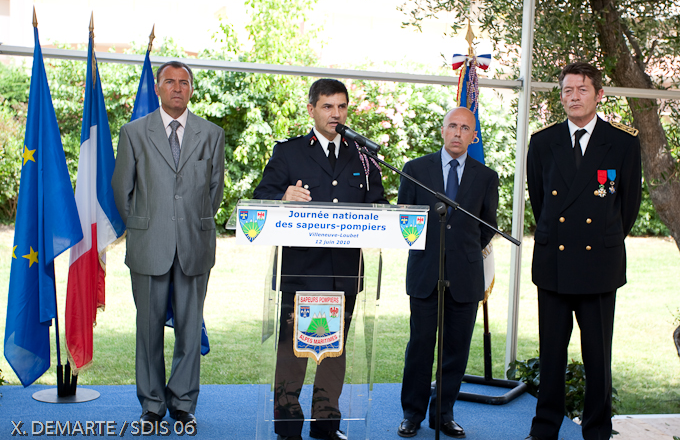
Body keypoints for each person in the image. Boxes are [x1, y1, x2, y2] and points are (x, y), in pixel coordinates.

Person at [253, 79, 387, 440]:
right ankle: (288, 423)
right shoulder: (289, 152)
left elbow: (379, 205)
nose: (336, 114)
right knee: (293, 350)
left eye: (341, 106)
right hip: (300, 270)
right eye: (328, 106)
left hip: (345, 273)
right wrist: (283, 197)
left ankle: (326, 422)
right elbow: (261, 197)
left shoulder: (363, 156)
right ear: (311, 109)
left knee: (334, 350)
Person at [525, 62, 642, 440]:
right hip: (554, 265)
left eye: (582, 89)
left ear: (599, 95)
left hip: (598, 267)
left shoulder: (622, 142)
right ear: (560, 96)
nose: (573, 97)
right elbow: (540, 201)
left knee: (597, 357)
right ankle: (545, 428)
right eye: (567, 90)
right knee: (551, 355)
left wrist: (603, 239)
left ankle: (597, 431)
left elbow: (628, 206)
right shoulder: (543, 142)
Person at [112, 61, 225, 427]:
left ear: (191, 89)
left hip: (195, 243)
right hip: (149, 244)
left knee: (190, 329)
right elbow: (122, 190)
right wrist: (145, 225)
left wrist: (190, 222)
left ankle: (183, 403)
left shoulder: (211, 134)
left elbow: (214, 190)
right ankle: (151, 403)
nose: (177, 88)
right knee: (148, 329)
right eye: (170, 82)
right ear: (158, 88)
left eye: (184, 82)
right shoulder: (134, 133)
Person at [397, 107, 499, 439]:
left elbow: (488, 226)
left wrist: (462, 252)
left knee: (455, 350)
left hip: (465, 276)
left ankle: (443, 414)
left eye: (465, 128)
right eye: (452, 126)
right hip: (425, 273)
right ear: (442, 131)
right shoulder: (415, 169)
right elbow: (404, 217)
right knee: (421, 346)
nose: (457, 133)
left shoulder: (486, 177)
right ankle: (412, 414)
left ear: (473, 137)